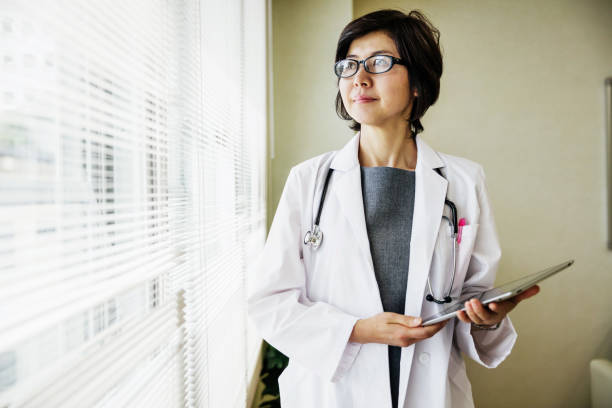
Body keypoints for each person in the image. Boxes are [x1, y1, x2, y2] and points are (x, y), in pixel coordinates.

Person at [247, 9, 539, 408]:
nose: (359, 78)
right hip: (333, 393)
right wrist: (359, 330)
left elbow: (471, 296)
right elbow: (270, 301)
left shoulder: (464, 181)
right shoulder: (309, 180)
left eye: (379, 63)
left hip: (431, 391)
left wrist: (486, 317)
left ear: (417, 81)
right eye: (349, 66)